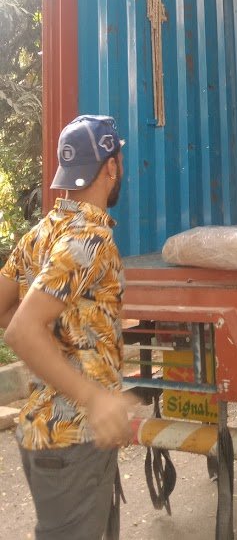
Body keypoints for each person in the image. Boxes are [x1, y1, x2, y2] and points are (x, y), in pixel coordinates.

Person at [0, 114, 133, 540]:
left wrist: (56, 341)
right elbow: (20, 330)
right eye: (119, 160)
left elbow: (5, 311)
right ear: (110, 166)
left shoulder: (39, 234)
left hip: (49, 438)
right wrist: (95, 398)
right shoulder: (90, 238)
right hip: (73, 440)